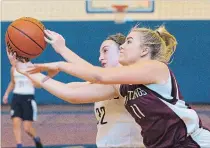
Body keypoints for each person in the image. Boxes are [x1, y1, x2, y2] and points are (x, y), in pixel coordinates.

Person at [9, 25, 210, 147]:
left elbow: (98, 74)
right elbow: (71, 93)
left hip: (193, 143)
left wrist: (61, 60)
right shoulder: (120, 85)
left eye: (129, 42)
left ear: (144, 50)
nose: (123, 45)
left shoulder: (156, 68)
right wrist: (22, 69)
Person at [7, 32, 144, 147]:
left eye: (105, 51)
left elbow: (71, 94)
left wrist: (28, 70)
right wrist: (61, 50)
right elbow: (70, 86)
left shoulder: (124, 81)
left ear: (121, 52)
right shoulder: (107, 82)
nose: (100, 57)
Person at [3, 66, 43, 148]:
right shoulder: (13, 68)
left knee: (27, 128)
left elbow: (39, 84)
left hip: (28, 98)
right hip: (16, 97)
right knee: (15, 122)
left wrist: (34, 82)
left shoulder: (33, 67)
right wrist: (6, 94)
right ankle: (19, 145)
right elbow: (13, 82)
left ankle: (36, 138)